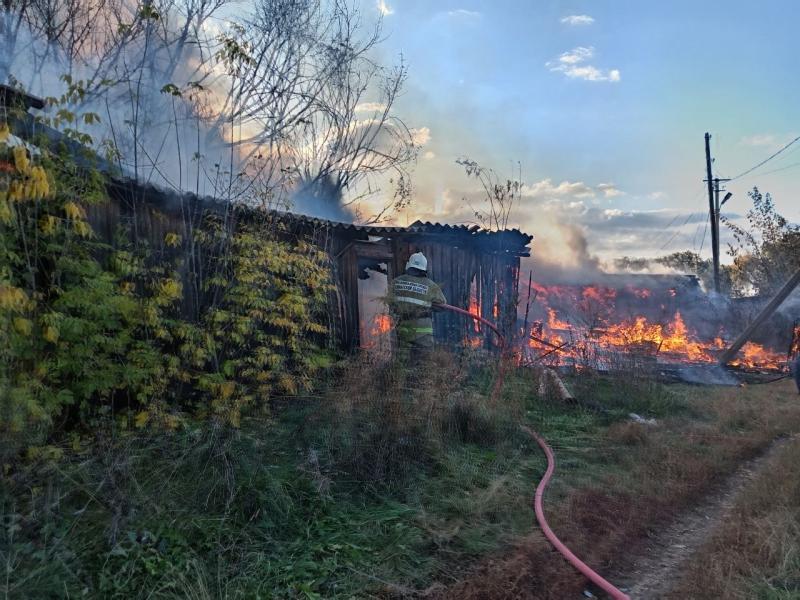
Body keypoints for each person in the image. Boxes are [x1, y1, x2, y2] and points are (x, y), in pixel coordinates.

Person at [387, 252, 447, 363]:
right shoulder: (431, 285)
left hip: (404, 331)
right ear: (424, 269)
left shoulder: (396, 282)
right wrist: (428, 304)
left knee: (403, 365)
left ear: (409, 265)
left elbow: (390, 302)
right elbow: (442, 305)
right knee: (425, 366)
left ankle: (401, 380)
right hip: (424, 333)